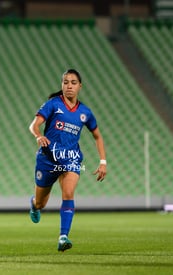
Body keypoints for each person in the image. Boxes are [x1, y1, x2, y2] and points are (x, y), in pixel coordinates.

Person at [28, 69, 107, 252]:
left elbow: (97, 136)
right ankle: (34, 205)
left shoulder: (85, 112)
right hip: (47, 159)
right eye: (65, 82)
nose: (69, 86)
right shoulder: (53, 104)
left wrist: (103, 161)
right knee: (41, 203)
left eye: (73, 82)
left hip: (70, 158)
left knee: (69, 193)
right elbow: (34, 125)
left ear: (80, 86)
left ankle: (63, 237)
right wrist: (39, 136)